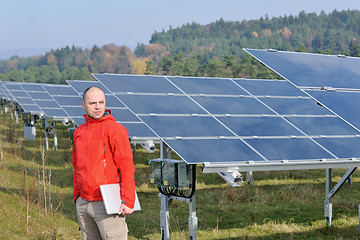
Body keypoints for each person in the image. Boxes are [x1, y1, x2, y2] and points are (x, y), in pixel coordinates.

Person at [72, 86, 135, 240]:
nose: (98, 106)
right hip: (84, 203)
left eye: (101, 102)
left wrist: (128, 200)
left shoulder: (115, 130)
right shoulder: (79, 132)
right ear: (83, 105)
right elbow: (77, 166)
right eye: (93, 103)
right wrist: (77, 196)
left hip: (107, 203)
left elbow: (127, 166)